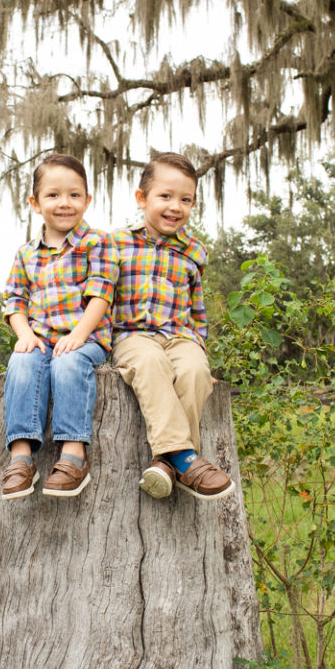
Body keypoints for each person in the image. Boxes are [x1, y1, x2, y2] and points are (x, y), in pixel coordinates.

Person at [111, 152, 234, 501]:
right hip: (132, 335)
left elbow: (197, 311)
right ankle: (185, 458)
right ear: (141, 198)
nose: (175, 207)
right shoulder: (115, 243)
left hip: (180, 335)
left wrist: (201, 350)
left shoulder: (195, 251)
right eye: (165, 196)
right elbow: (101, 298)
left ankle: (165, 464)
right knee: (151, 364)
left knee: (195, 371)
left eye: (186, 200)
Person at [1, 153, 117, 499]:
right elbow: (14, 302)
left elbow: (101, 294)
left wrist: (79, 334)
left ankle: (73, 455)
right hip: (41, 338)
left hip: (86, 339)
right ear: (35, 203)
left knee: (68, 363)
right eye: (53, 195)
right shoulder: (26, 254)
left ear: (87, 200)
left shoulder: (97, 243)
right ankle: (21, 457)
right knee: (21, 362)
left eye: (74, 195)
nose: (64, 203)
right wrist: (25, 334)